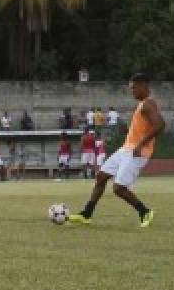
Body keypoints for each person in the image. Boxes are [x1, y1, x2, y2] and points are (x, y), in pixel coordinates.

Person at [69, 74, 163, 227]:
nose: (132, 91)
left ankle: (144, 211)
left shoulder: (148, 104)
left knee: (119, 188)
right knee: (101, 176)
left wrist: (140, 145)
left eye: (134, 88)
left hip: (137, 152)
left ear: (143, 85)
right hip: (126, 149)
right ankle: (86, 214)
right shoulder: (142, 104)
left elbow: (160, 125)